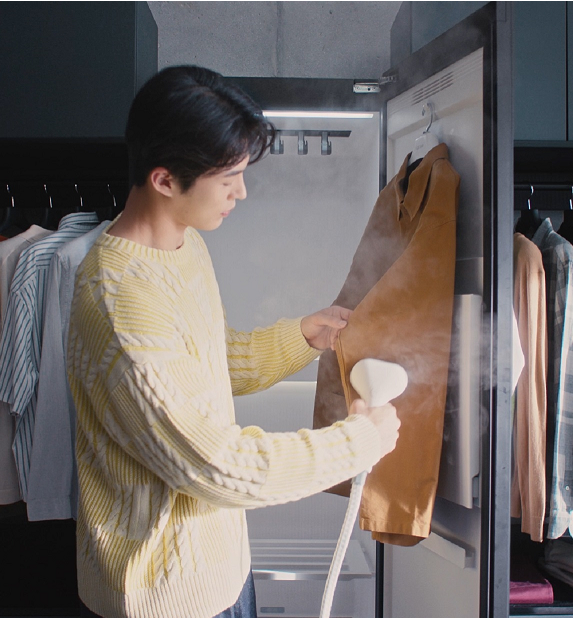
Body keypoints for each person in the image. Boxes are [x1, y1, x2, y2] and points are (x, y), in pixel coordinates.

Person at [66, 65, 401, 618]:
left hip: (220, 570)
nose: (241, 193)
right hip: (163, 598)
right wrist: (359, 441)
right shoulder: (119, 304)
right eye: (228, 180)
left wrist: (302, 336)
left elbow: (207, 365)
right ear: (165, 180)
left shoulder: (183, 246)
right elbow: (217, 465)